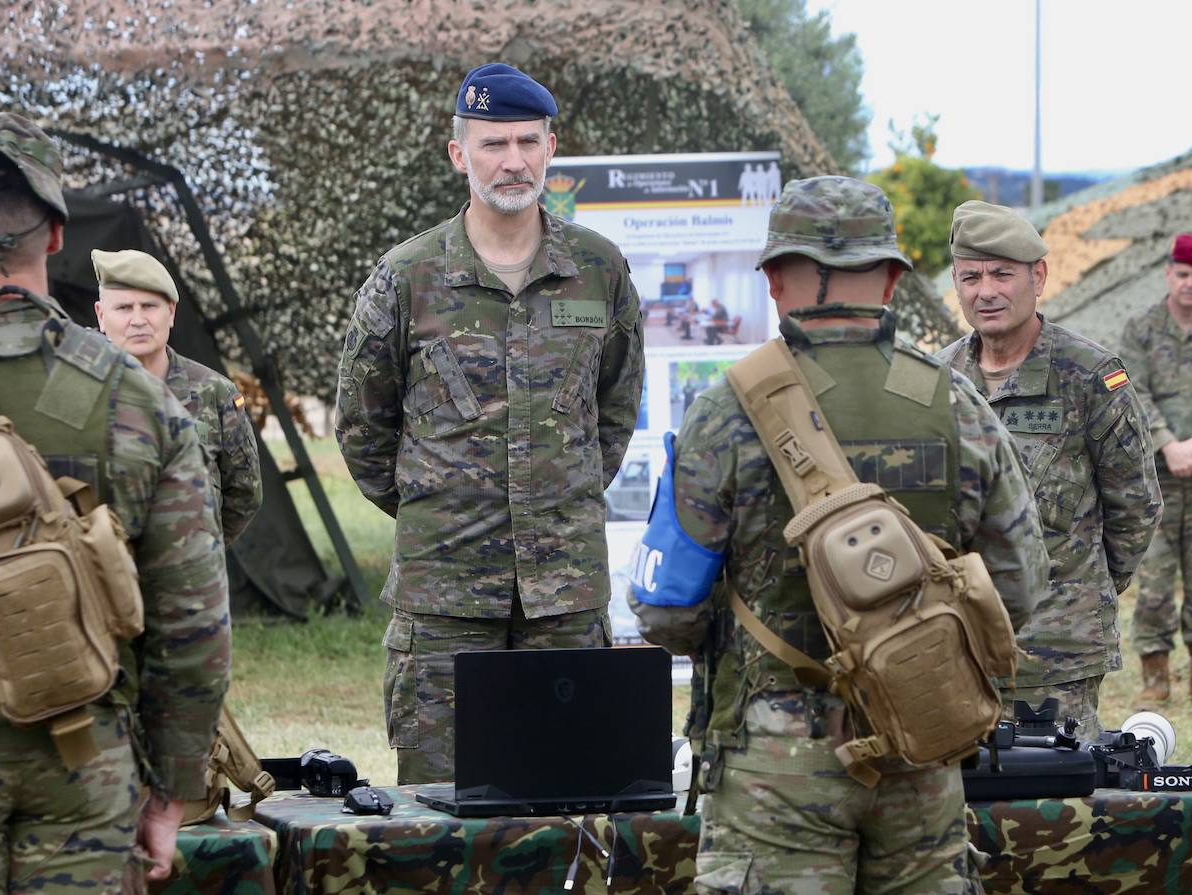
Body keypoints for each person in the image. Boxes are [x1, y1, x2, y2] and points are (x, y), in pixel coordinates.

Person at [629, 176, 1048, 893]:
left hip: (774, 765)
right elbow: (1018, 590)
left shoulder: (725, 411)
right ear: (890, 279)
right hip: (924, 740)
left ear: (774, 281)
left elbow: (667, 611)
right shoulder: (954, 402)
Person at [0, 113, 230, 890]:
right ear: (57, 236)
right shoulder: (144, 401)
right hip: (89, 762)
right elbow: (193, 616)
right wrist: (171, 787)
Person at [336, 62, 644, 784]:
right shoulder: (406, 277)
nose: (512, 160)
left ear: (551, 147)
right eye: (493, 144)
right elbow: (362, 429)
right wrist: (436, 509)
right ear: (458, 154)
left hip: (564, 600)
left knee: (574, 800)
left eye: (527, 141)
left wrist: (556, 503)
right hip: (444, 601)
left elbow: (616, 409)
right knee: (440, 810)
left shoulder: (599, 271)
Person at [936, 200, 1162, 739]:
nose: (985, 291)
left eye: (1001, 274)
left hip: (1057, 655)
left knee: (1062, 808)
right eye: (970, 277)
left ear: (1038, 276)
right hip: (954, 646)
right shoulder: (936, 379)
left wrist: (1081, 592)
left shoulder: (1090, 377)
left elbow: (1136, 506)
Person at [92, 248, 262, 544]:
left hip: (192, 578)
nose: (138, 320)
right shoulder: (80, 390)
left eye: (149, 306)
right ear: (101, 315)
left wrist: (203, 550)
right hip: (105, 574)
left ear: (170, 312)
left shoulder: (215, 392)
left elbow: (245, 492)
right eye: (124, 308)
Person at [1121, 234, 1192, 704]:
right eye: (1182, 274)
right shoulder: (1141, 329)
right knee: (1156, 577)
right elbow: (1132, 391)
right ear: (1168, 274)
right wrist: (1167, 444)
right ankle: (1154, 678)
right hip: (1156, 478)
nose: (1189, 284)